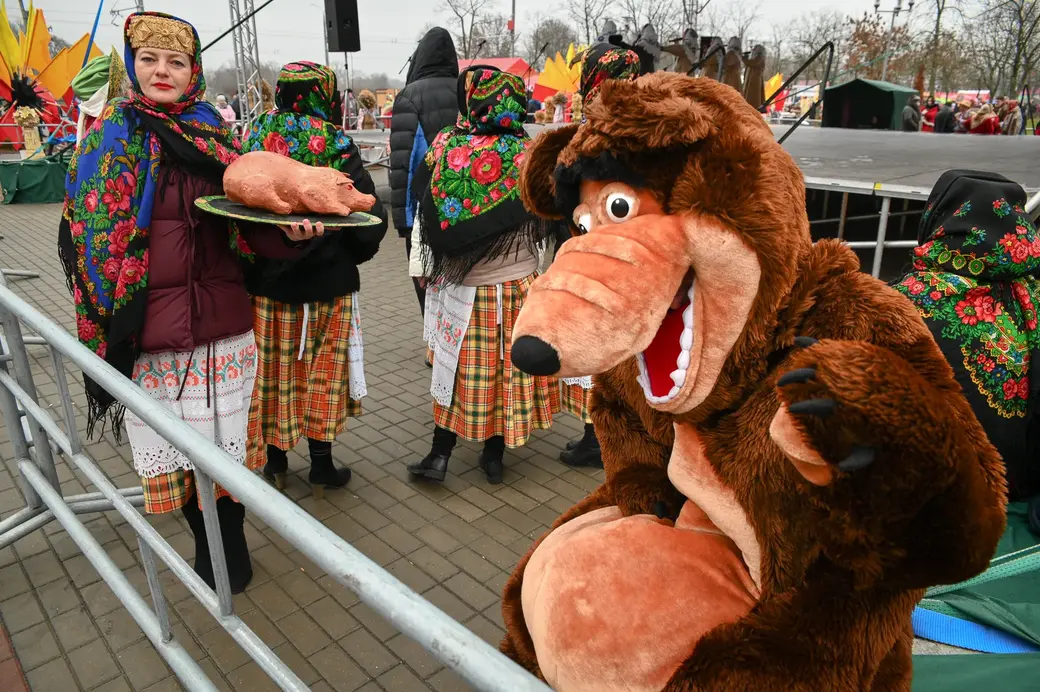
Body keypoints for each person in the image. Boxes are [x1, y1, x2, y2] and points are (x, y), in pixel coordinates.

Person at [57, 12, 323, 594]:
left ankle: (228, 546)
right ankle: (208, 545)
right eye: (149, 58)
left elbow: (250, 226)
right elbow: (88, 234)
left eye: (175, 61)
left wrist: (290, 235)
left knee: (229, 462)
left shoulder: (218, 136)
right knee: (177, 459)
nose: (161, 71)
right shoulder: (109, 137)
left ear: (193, 71)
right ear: (131, 65)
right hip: (152, 334)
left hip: (223, 331)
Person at [242, 61, 388, 497]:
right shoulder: (336, 140)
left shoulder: (254, 135)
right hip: (328, 285)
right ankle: (321, 465)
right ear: (326, 94)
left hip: (268, 286)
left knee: (273, 373)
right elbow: (365, 212)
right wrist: (353, 250)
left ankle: (275, 463)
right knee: (323, 373)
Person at [406, 67, 556, 484]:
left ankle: (440, 454)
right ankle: (493, 456)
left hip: (462, 289)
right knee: (506, 370)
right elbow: (546, 224)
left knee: (454, 369)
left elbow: (425, 216)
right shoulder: (530, 154)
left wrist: (421, 266)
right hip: (518, 287)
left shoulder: (448, 145)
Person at [895, 169, 1038, 517]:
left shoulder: (896, 305)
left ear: (937, 221)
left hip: (935, 510)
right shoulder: (1033, 296)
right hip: (1023, 495)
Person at [390, 27, 460, 317]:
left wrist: (403, 221)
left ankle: (435, 345)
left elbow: (403, 164)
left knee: (426, 278)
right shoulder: (467, 90)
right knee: (461, 279)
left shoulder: (409, 96)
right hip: (465, 202)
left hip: (425, 209)